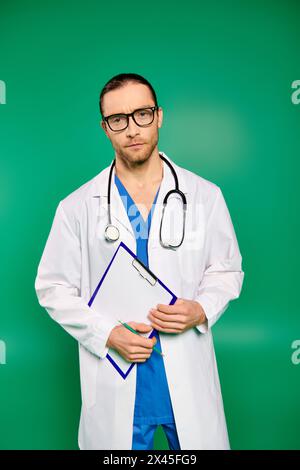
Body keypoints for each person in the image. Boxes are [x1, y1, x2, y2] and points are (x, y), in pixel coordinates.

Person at [34, 73, 244, 450]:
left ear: (159, 116)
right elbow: (52, 287)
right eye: (118, 119)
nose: (132, 129)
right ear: (105, 128)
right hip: (117, 378)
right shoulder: (77, 207)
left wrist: (201, 309)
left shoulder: (204, 196)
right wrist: (105, 333)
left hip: (186, 377)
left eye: (142, 114)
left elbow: (226, 270)